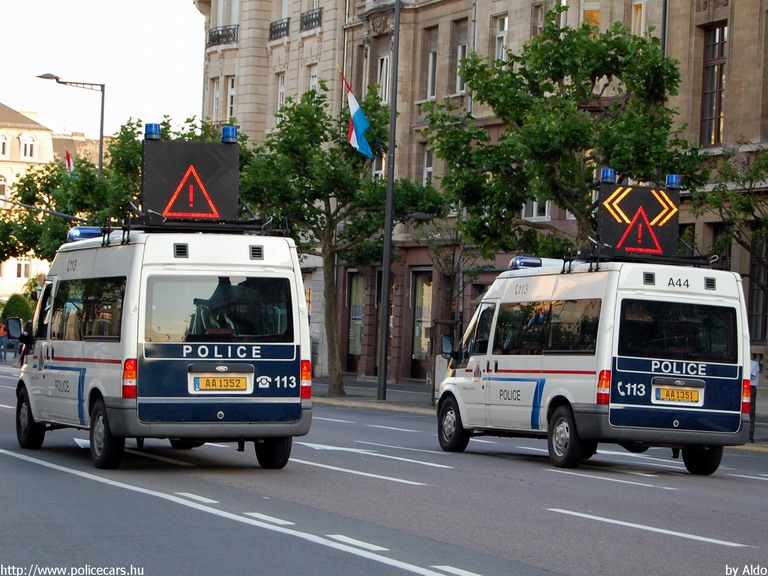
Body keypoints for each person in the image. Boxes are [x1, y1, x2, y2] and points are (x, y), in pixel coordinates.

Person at [750, 358, 760, 443]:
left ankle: (750, 435)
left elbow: (749, 374)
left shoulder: (753, 364)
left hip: (750, 388)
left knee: (750, 411)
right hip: (739, 386)